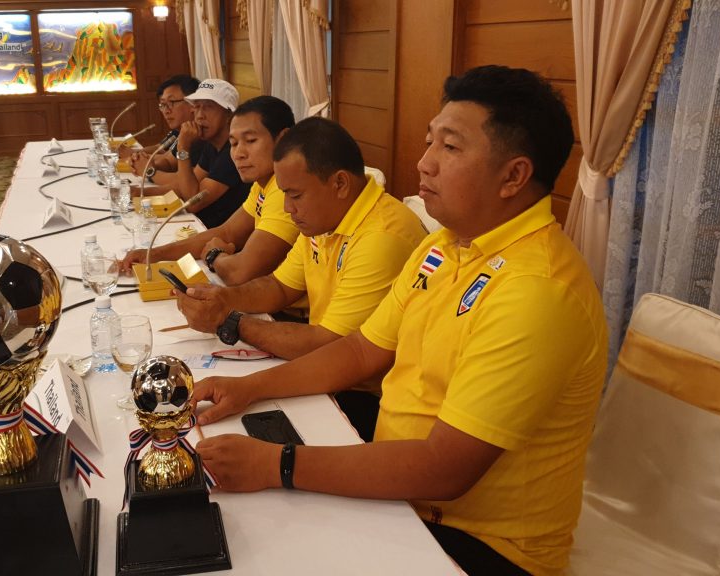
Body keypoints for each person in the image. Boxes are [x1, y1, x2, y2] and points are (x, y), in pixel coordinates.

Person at [191, 66, 607, 576]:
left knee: (256, 547)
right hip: (404, 496)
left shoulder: (537, 291)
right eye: (430, 141)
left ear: (514, 176)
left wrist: (275, 464)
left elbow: (443, 469)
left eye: (449, 147)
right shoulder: (444, 246)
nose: (423, 162)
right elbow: (361, 350)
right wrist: (249, 388)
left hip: (480, 542)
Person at [176, 117, 425, 439]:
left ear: (340, 184)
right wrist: (220, 298)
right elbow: (279, 286)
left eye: (295, 195)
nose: (288, 208)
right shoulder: (326, 217)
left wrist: (228, 321)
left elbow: (329, 345)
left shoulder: (382, 237)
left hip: (365, 395)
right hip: (324, 369)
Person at [121, 95, 298, 286]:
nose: (239, 154)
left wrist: (214, 254)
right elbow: (227, 232)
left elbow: (239, 272)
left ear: (283, 140)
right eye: (234, 143)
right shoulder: (263, 182)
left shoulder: (284, 190)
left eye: (250, 140)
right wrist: (152, 254)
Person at [167, 79, 251, 228]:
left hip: (218, 234)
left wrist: (183, 147)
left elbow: (193, 202)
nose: (199, 116)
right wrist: (139, 192)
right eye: (197, 107)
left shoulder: (233, 152)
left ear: (229, 115)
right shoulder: (211, 145)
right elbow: (185, 186)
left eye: (208, 107)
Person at [127, 75, 205, 188]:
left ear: (193, 104)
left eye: (171, 102)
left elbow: (187, 182)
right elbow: (168, 161)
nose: (166, 111)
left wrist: (149, 171)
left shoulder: (203, 136)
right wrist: (141, 162)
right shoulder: (185, 131)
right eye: (163, 105)